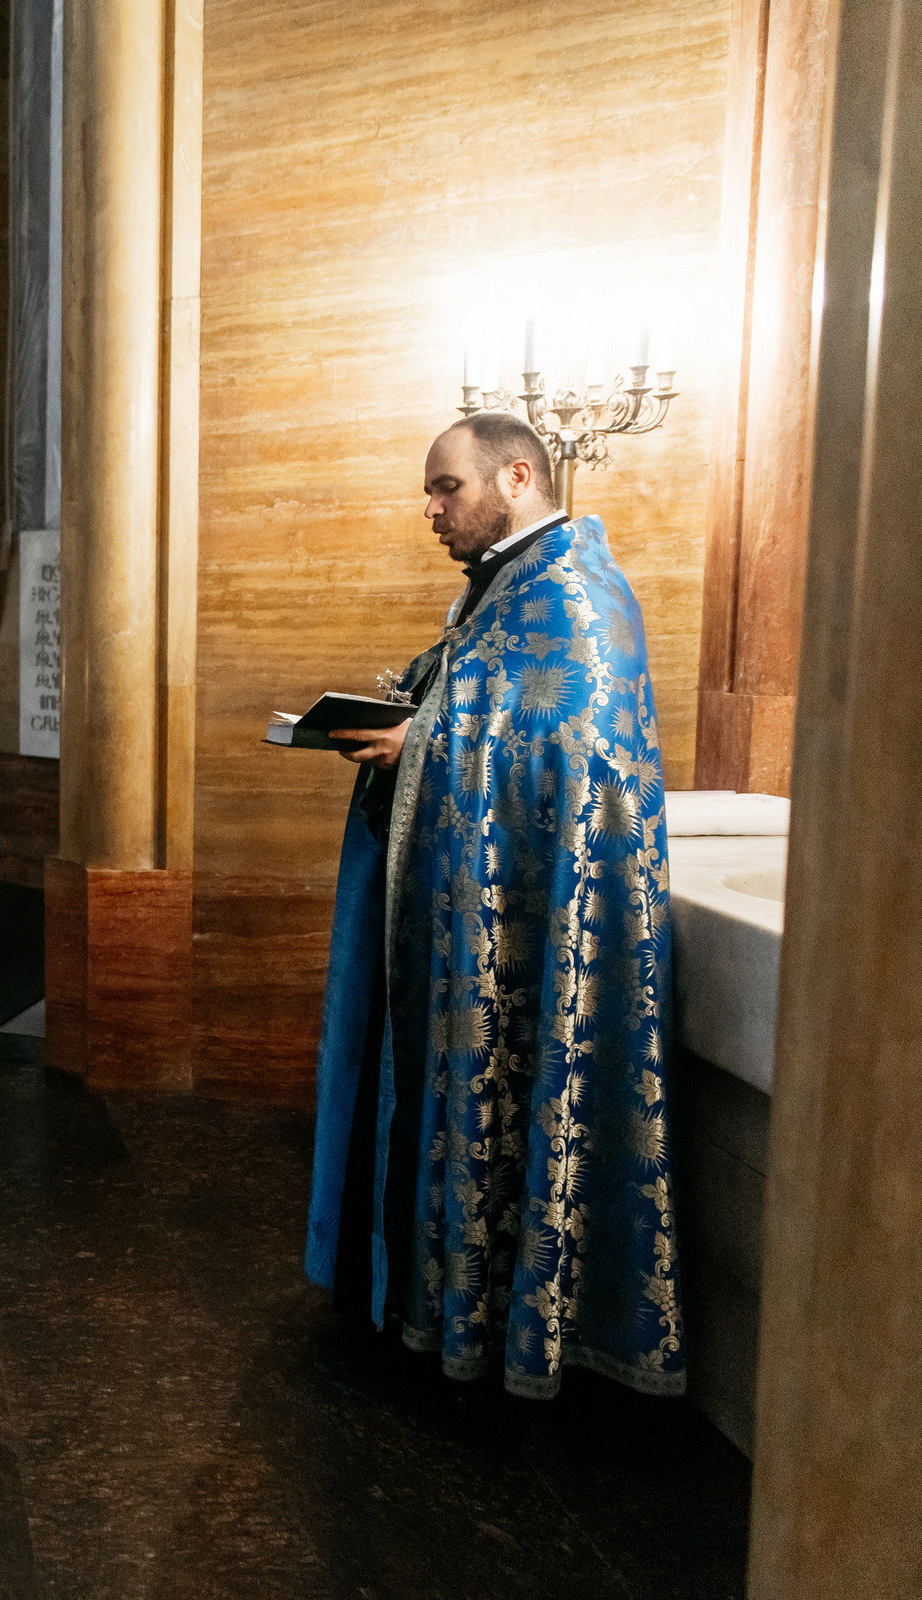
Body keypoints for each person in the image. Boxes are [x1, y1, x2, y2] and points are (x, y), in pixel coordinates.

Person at [305, 411, 684, 1400]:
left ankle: (519, 1330)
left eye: (448, 487)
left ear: (518, 476)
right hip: (470, 909)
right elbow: (485, 709)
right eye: (429, 491)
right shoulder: (502, 586)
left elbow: (574, 748)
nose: (431, 509)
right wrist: (417, 720)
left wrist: (422, 742)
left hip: (534, 925)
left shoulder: (579, 596)